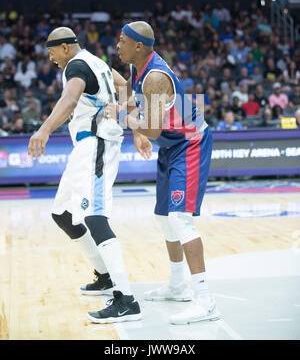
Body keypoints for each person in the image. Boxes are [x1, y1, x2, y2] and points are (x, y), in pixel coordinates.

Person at [28, 26, 150, 324]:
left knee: (95, 217)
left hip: (96, 144)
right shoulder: (98, 63)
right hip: (85, 146)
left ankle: (126, 299)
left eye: (52, 51)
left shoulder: (77, 65)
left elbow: (69, 100)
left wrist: (43, 130)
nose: (51, 57)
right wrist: (134, 127)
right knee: (64, 215)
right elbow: (126, 89)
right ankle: (106, 277)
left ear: (66, 47)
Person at [104, 21, 219, 325]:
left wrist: (121, 115)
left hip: (189, 143)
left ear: (138, 46)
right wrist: (136, 130)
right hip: (172, 144)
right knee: (164, 217)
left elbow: (152, 128)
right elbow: (131, 95)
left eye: (122, 41)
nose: (118, 46)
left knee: (181, 219)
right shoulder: (137, 67)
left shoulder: (155, 77)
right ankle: (178, 285)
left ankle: (206, 301)